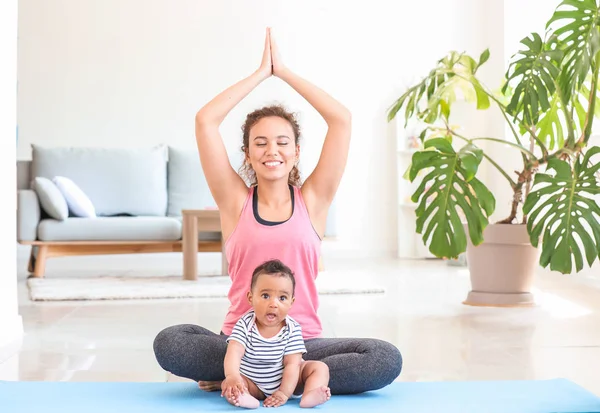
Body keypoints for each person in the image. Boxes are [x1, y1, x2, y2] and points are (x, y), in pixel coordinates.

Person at [153, 27, 402, 395]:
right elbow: (206, 120)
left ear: (296, 151)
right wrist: (259, 75)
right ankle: (270, 378)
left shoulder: (313, 200)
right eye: (261, 142)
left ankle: (271, 378)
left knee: (384, 357)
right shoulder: (234, 201)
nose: (273, 150)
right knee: (170, 341)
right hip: (239, 343)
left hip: (303, 345)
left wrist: (284, 72)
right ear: (249, 154)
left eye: (283, 142)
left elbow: (342, 120)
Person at [222, 259, 330, 409]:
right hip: (253, 383)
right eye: (266, 296)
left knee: (319, 367)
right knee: (229, 384)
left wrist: (284, 392)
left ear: (291, 302)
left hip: (287, 382)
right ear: (251, 298)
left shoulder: (292, 328)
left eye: (282, 298)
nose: (274, 304)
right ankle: (243, 396)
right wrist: (232, 376)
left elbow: (292, 364)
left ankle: (310, 394)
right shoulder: (245, 324)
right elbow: (234, 352)